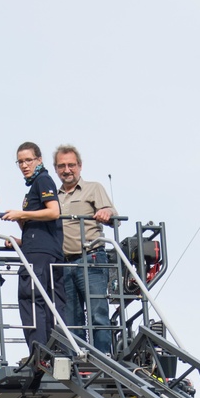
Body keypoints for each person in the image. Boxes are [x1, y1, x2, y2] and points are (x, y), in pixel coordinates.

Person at [2, 142, 64, 364]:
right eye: (20, 161)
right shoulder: (33, 188)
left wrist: (20, 212)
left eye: (28, 160)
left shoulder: (43, 180)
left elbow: (54, 212)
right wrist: (21, 238)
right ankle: (46, 351)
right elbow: (38, 225)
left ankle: (39, 353)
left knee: (32, 298)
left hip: (41, 253)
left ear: (39, 159)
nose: (24, 165)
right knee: (44, 301)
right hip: (37, 248)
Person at [54, 145, 115, 355]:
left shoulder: (93, 188)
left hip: (92, 257)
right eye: (62, 166)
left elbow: (111, 213)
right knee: (72, 316)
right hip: (64, 262)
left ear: (79, 166)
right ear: (56, 169)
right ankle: (80, 359)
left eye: (71, 165)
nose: (67, 169)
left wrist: (106, 211)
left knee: (98, 310)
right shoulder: (53, 197)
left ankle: (102, 356)